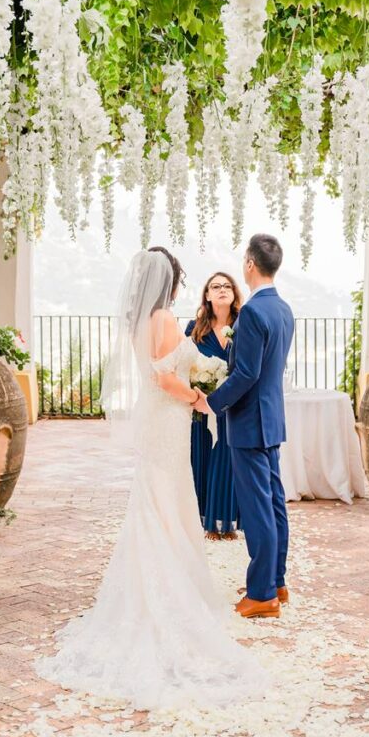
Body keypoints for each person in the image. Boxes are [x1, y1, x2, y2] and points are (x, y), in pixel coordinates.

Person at [36, 247, 264, 709]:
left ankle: (156, 582)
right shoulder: (162, 319)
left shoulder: (140, 321)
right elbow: (164, 378)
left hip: (163, 424)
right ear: (170, 282)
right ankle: (167, 593)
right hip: (169, 419)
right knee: (168, 497)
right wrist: (199, 396)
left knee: (160, 499)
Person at [196, 234, 295, 621]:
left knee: (257, 509)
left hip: (249, 422)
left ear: (250, 264)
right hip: (270, 418)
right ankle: (277, 580)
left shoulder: (253, 313)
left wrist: (212, 402)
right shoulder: (283, 308)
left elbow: (246, 373)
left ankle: (262, 594)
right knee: (273, 502)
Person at [185, 272, 242, 540]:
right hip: (200, 406)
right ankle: (206, 521)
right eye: (215, 286)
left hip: (233, 405)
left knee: (229, 460)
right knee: (202, 457)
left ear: (234, 294)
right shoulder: (194, 329)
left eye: (227, 286)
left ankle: (228, 522)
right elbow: (185, 367)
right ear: (207, 295)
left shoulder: (244, 326)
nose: (221, 290)